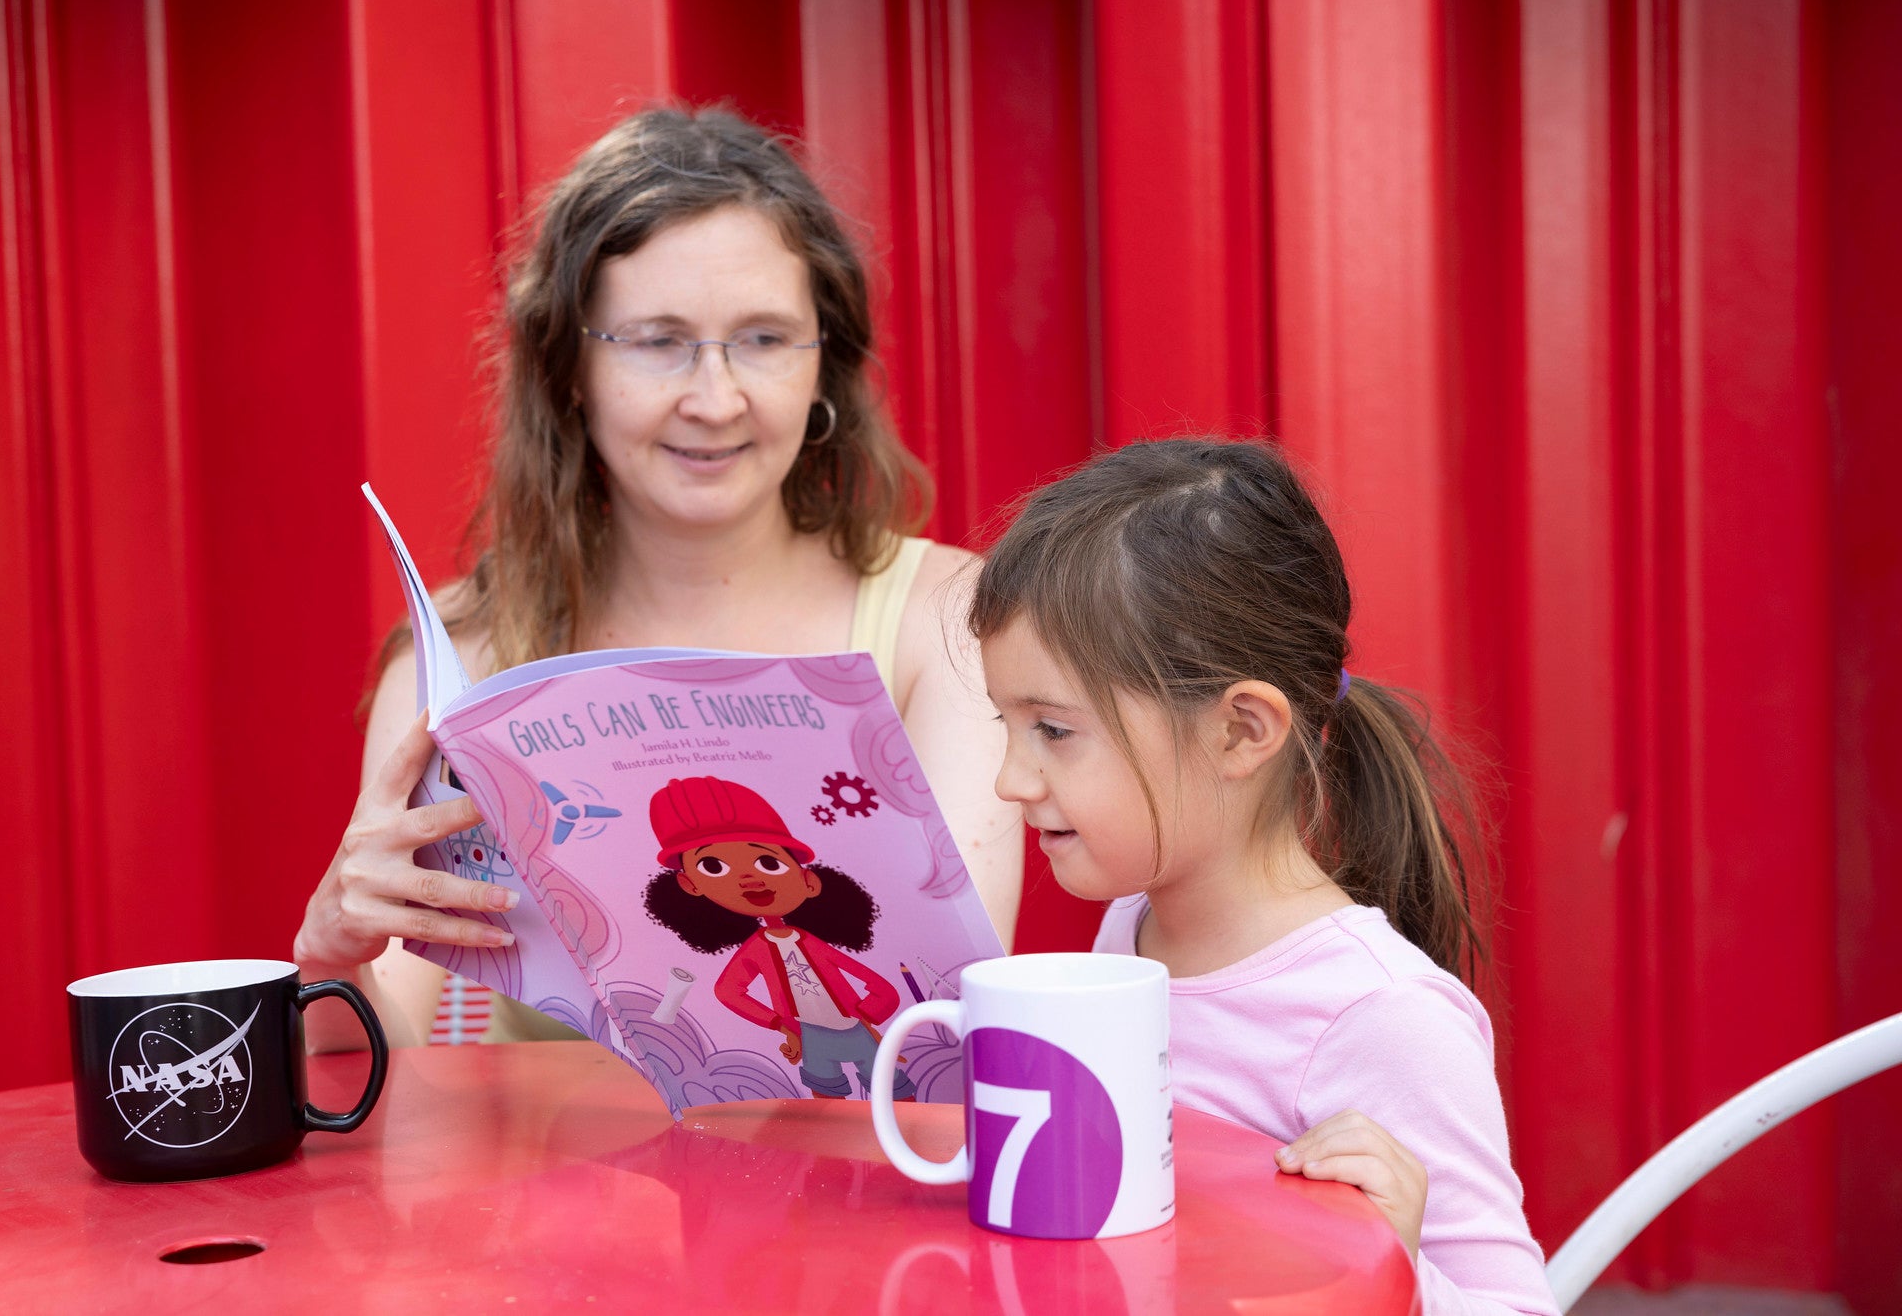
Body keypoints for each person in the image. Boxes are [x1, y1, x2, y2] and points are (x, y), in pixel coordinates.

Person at [292, 107, 1022, 1051]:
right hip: (554, 1197)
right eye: (655, 340)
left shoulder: (947, 626)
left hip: (854, 1190)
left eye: (763, 339)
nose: (714, 399)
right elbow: (368, 1067)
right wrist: (331, 952)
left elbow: (948, 1015)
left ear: (825, 369)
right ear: (568, 373)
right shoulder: (462, 652)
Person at [971, 439, 1558, 1315]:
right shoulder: (1129, 931)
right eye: (1005, 725)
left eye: (1053, 730)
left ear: (1242, 731)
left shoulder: (1381, 1015)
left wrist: (1392, 1267)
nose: (1010, 780)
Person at [640, 774, 914, 1102]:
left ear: (809, 881)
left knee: (895, 1093)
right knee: (829, 1108)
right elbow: (729, 991)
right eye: (713, 866)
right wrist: (780, 1024)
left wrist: (867, 1018)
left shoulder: (811, 941)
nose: (749, 878)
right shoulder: (756, 949)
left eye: (768, 862)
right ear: (690, 886)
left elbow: (879, 987)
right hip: (811, 1037)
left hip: (855, 1030)